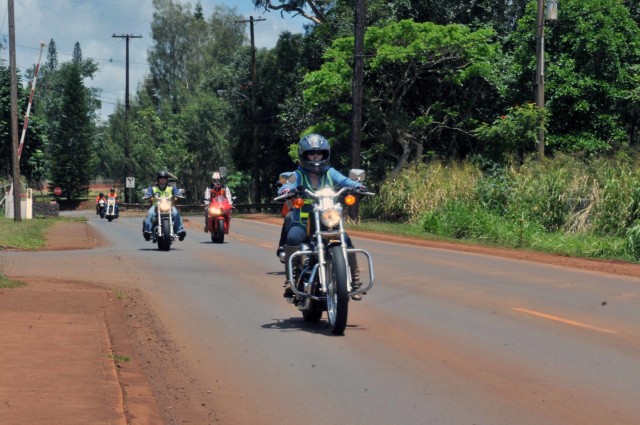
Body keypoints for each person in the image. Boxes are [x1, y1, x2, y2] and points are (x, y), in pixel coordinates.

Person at [277, 133, 367, 300]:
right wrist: (286, 189)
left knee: (346, 240)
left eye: (319, 153)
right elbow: (288, 184)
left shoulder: (330, 172)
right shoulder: (298, 174)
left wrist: (357, 186)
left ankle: (354, 282)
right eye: (312, 153)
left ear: (325, 154)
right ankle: (291, 279)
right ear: (304, 155)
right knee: (293, 237)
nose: (316, 157)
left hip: (328, 222)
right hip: (303, 223)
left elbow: (345, 181)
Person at [142, 171, 187, 241]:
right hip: (155, 206)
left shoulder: (171, 187)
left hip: (169, 206)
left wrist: (179, 194)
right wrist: (146, 195)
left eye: (164, 178)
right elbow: (148, 192)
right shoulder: (153, 188)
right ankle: (147, 231)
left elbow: (177, 192)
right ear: (158, 179)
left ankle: (180, 231)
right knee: (150, 213)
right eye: (161, 178)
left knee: (176, 213)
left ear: (167, 179)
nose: (163, 179)